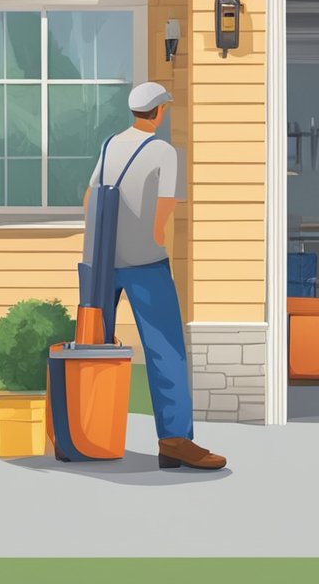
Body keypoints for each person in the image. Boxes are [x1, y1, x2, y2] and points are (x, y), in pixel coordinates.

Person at [83, 82, 226, 470]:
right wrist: (152, 235)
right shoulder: (163, 150)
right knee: (166, 350)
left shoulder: (110, 144)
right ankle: (175, 441)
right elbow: (167, 203)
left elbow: (89, 198)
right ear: (160, 113)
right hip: (146, 263)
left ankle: (86, 432)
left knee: (93, 345)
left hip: (101, 260)